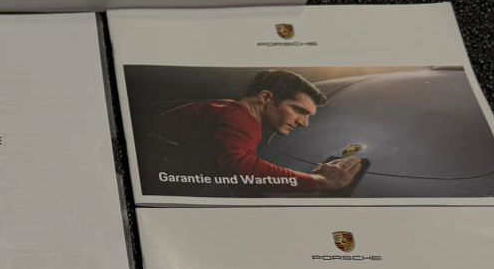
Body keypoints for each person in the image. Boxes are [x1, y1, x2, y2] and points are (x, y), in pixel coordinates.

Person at [151, 69, 363, 195]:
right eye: (299, 110)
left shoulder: (228, 110)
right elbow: (240, 168)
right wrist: (318, 181)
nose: (304, 123)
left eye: (309, 116)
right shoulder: (239, 119)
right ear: (266, 98)